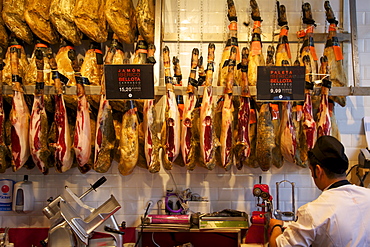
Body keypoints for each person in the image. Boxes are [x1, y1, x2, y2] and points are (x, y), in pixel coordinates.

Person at [269, 135, 370, 247]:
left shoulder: (313, 211)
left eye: (311, 170)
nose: (312, 175)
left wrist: (276, 226)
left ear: (318, 170)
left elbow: (277, 245)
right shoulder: (367, 195)